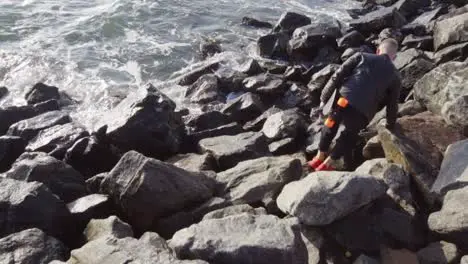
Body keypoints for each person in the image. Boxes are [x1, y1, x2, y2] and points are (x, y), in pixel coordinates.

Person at [308, 38, 401, 171]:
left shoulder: (361, 56)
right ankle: (327, 164)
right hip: (363, 111)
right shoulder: (395, 77)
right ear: (394, 57)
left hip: (343, 99)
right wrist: (390, 125)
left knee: (330, 124)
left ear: (378, 50)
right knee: (349, 136)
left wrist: (324, 96)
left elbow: (338, 75)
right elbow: (392, 104)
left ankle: (318, 157)